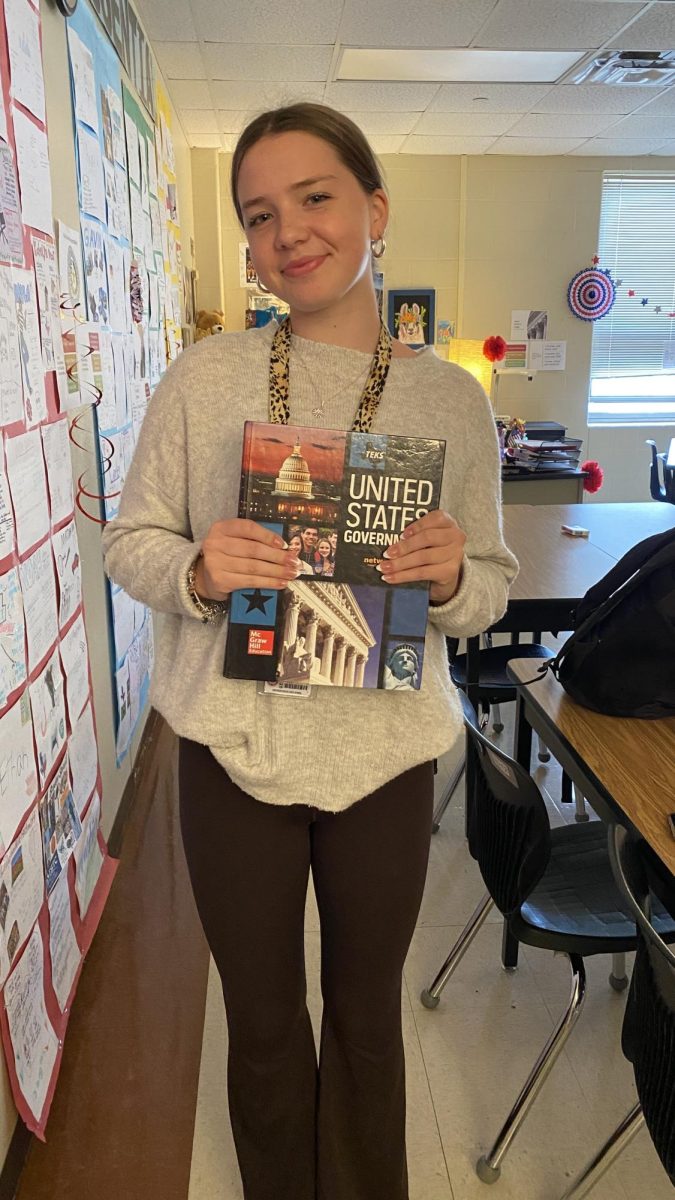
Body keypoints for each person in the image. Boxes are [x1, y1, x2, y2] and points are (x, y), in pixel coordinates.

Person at [102, 101, 518, 1200]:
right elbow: (128, 540)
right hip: (233, 753)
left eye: (316, 197)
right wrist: (197, 571)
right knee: (266, 1026)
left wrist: (449, 578)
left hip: (382, 759)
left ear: (376, 209)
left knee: (371, 1026)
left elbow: (489, 594)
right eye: (259, 214)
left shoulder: (450, 400)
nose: (289, 230)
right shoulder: (207, 381)